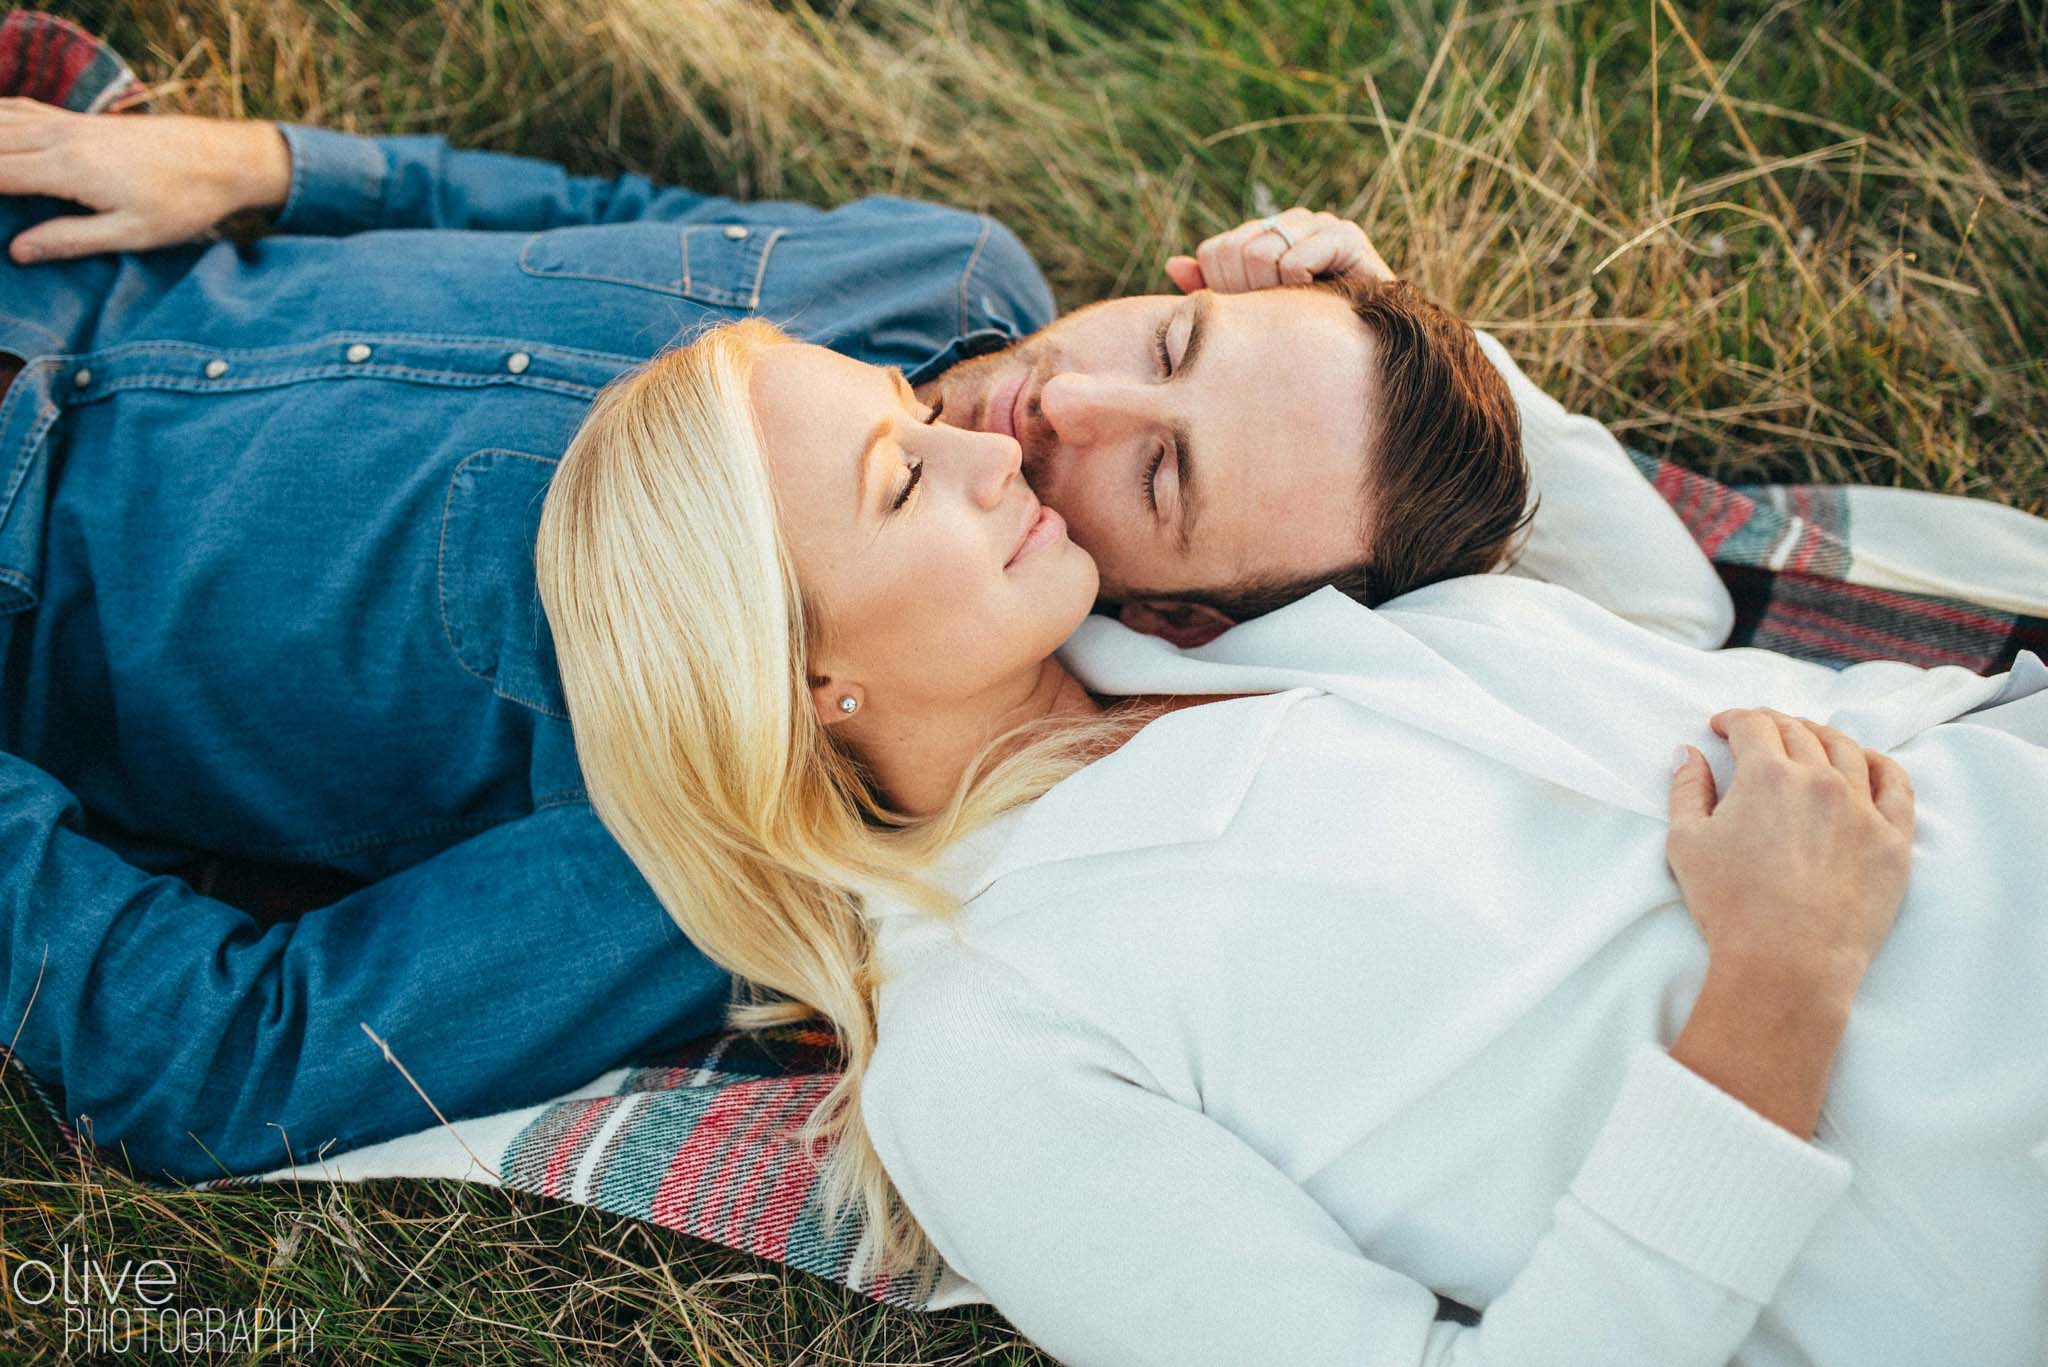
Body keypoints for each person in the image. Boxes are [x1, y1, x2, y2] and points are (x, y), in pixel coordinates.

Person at [0, 100, 1721, 1180]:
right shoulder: (949, 267)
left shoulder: (707, 792)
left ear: (1174, 618)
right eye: (1184, 340)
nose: (1069, 395)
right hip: (61, 269)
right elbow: (580, 214)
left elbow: (241, 1064)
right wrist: (270, 165)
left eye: (1165, 467)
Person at [533, 317, 2047, 1366]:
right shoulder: (990, 1045)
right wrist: (1778, 986)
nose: (991, 451)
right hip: (1976, 1161)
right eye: (900, 480)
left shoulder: (1187, 632)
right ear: (804, 682)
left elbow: (1657, 628)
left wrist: (1393, 328)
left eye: (916, 412)